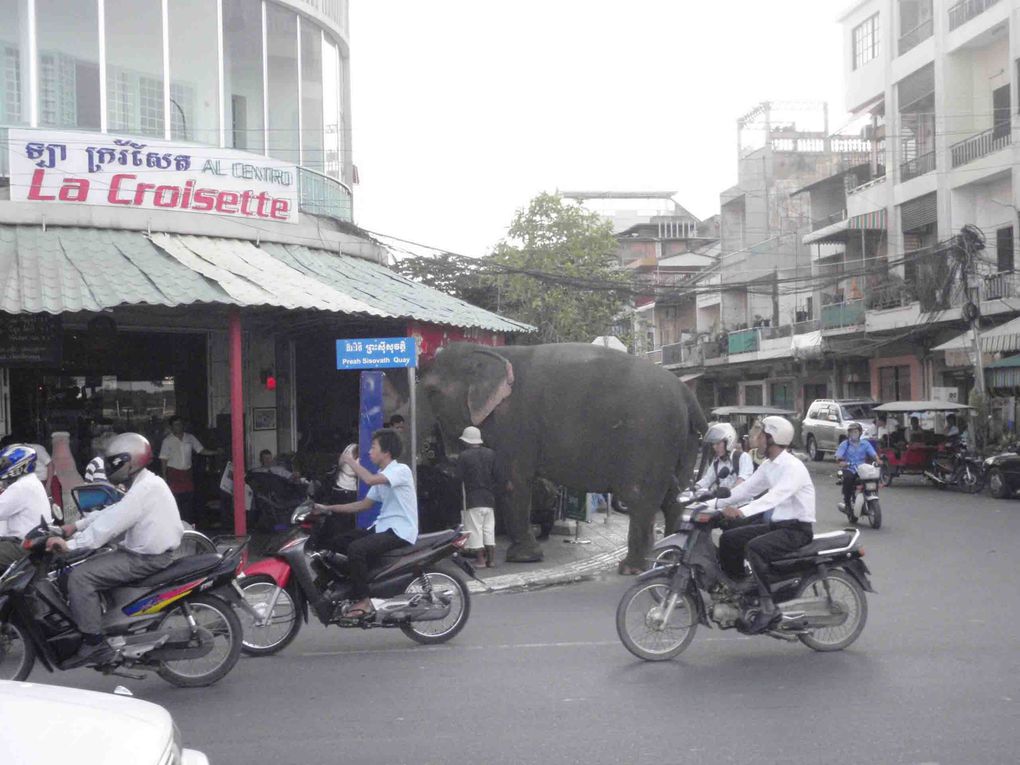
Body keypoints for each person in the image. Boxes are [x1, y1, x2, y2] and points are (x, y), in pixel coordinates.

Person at [45, 433, 183, 667]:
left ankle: (95, 643)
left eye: (114, 462)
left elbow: (109, 526)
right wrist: (74, 526)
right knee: (93, 562)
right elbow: (112, 512)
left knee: (80, 577)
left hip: (146, 558)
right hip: (141, 553)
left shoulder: (144, 489)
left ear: (131, 462)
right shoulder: (144, 484)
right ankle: (108, 623)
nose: (110, 467)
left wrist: (70, 545)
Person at [717, 416, 815, 634]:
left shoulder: (793, 467)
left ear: (773, 438)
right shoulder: (769, 466)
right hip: (779, 526)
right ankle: (741, 591)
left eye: (760, 436)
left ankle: (768, 607)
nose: (756, 440)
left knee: (755, 547)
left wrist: (741, 512)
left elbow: (773, 498)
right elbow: (745, 490)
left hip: (797, 530)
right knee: (729, 539)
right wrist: (709, 503)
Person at [311, 429, 417, 620]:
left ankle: (364, 600)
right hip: (382, 527)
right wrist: (327, 508)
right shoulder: (382, 474)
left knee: (356, 549)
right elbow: (362, 505)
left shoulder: (401, 471)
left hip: (400, 530)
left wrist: (351, 461)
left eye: (373, 447)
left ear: (386, 452)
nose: (369, 452)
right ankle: (342, 587)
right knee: (335, 543)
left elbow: (368, 480)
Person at [454, 426, 508, 568]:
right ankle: (491, 560)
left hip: (472, 499)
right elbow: (498, 476)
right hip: (489, 499)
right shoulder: (491, 454)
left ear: (466, 441)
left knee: (475, 530)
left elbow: (458, 477)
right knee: (488, 529)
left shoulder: (464, 456)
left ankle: (480, 560)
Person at [0, 445, 53, 570]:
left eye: (5, 463)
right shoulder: (31, 482)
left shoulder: (21, 487)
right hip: (32, 543)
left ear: (19, 465)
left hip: (22, 546)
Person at [158, 416, 217, 525]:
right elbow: (163, 459)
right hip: (174, 474)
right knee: (175, 502)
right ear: (171, 427)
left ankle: (188, 526)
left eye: (180, 424)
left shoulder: (190, 438)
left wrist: (215, 452)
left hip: (187, 474)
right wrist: (164, 476)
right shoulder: (167, 441)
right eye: (176, 425)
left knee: (188, 501)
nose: (178, 427)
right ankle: (176, 525)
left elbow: (201, 450)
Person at [695, 423, 753, 492]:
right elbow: (707, 480)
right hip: (722, 500)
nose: (714, 447)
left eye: (718, 443)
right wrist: (694, 488)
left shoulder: (743, 457)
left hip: (742, 501)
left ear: (729, 441)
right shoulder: (716, 462)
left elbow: (742, 481)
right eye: (713, 444)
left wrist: (729, 492)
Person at [835, 422, 877, 515]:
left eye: (856, 432)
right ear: (849, 433)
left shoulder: (865, 444)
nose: (854, 434)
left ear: (860, 433)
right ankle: (847, 504)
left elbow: (873, 454)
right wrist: (842, 462)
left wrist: (879, 461)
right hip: (849, 468)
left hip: (862, 468)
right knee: (848, 479)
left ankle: (870, 495)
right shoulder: (844, 444)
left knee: (873, 477)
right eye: (852, 432)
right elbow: (838, 457)